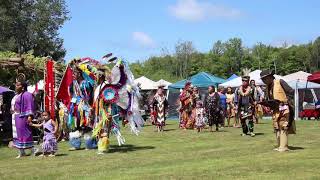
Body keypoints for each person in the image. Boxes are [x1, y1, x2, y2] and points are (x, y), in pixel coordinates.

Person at [260, 70, 295, 152]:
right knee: (276, 126)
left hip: (284, 108)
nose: (263, 81)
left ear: (270, 77)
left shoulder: (280, 81)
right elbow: (269, 98)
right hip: (275, 109)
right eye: (263, 79)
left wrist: (287, 102)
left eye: (264, 79)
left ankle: (284, 146)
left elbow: (291, 91)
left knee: (283, 125)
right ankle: (280, 145)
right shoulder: (268, 87)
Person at [12, 73, 36, 158]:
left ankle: (33, 150)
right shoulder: (17, 95)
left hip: (23, 117)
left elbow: (30, 105)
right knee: (18, 135)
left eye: (18, 85)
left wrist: (29, 116)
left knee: (26, 134)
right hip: (17, 117)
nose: (16, 86)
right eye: (16, 85)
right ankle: (21, 152)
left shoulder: (27, 94)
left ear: (22, 87)